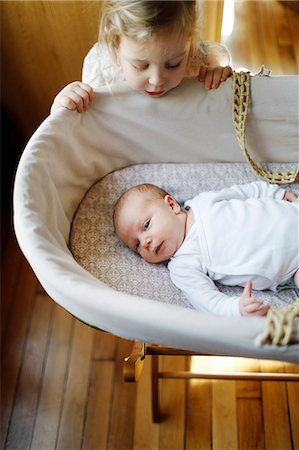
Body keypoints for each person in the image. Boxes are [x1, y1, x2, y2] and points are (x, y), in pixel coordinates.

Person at [113, 181, 299, 317]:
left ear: (171, 205)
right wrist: (237, 309)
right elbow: (208, 302)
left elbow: (245, 192)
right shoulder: (183, 267)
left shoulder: (203, 202)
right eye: (136, 245)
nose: (144, 242)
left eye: (146, 225)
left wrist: (275, 194)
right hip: (292, 264)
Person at [50, 0, 232, 113]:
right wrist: (63, 110)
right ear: (115, 45)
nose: (157, 80)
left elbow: (222, 118)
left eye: (173, 64)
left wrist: (221, 84)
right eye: (140, 66)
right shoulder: (101, 70)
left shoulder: (203, 62)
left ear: (190, 39)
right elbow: (83, 128)